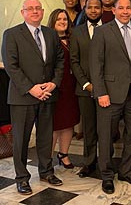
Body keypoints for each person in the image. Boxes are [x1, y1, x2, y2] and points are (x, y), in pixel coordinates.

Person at [1, 0, 64, 195]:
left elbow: (60, 61)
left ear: (43, 11)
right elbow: (11, 65)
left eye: (38, 8)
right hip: (23, 96)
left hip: (47, 94)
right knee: (21, 139)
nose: (35, 11)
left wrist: (53, 83)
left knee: (46, 136)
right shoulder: (12, 34)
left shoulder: (50, 33)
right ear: (23, 13)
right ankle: (22, 178)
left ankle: (46, 171)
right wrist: (31, 88)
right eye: (30, 9)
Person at [89, 0, 131, 194]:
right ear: (113, 10)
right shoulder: (102, 32)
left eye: (128, 8)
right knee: (106, 136)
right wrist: (100, 92)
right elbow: (95, 65)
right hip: (109, 94)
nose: (125, 11)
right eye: (121, 8)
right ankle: (106, 175)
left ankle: (126, 171)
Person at [70, 0, 103, 178]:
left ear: (101, 10)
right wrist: (86, 84)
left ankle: (106, 161)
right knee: (89, 128)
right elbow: (74, 61)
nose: (93, 11)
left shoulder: (109, 30)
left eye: (96, 8)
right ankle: (89, 163)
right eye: (90, 7)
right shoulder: (76, 32)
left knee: (106, 129)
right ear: (85, 8)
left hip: (106, 89)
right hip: (84, 89)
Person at [47, 9, 80, 169]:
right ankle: (47, 159)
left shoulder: (72, 39)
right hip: (55, 87)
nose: (62, 22)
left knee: (68, 123)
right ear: (53, 21)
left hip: (72, 87)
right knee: (54, 125)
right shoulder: (48, 40)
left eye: (65, 19)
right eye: (59, 19)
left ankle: (63, 154)